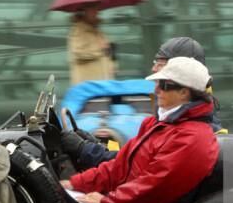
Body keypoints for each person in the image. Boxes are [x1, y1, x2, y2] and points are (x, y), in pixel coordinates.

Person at [59, 57, 218, 203]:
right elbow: (119, 166)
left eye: (163, 85)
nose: (156, 90)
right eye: (157, 83)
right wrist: (74, 184)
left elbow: (154, 188)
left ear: (184, 92)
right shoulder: (157, 124)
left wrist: (106, 202)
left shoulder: (191, 138)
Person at [62, 36, 213, 171]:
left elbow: (139, 167)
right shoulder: (170, 114)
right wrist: (94, 145)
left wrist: (87, 150)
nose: (154, 68)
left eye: (161, 64)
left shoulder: (183, 126)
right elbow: (134, 154)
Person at [66, 4, 116, 84]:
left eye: (97, 9)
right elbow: (79, 53)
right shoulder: (78, 31)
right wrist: (101, 49)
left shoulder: (97, 32)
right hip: (88, 86)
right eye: (93, 9)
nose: (97, 12)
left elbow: (108, 53)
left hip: (103, 83)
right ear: (84, 12)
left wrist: (112, 65)